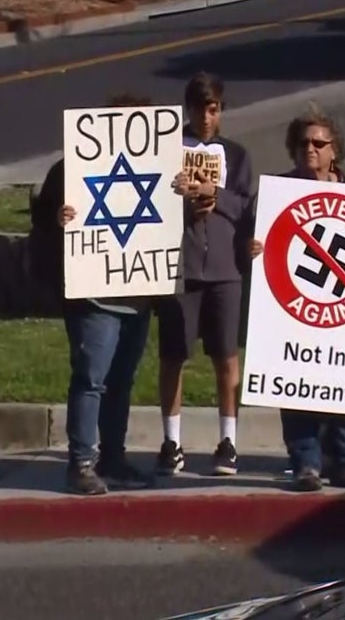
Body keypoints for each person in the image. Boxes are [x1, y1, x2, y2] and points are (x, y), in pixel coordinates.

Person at [245, 103, 345, 492]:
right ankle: (305, 465)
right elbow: (245, 246)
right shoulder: (272, 197)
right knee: (295, 385)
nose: (309, 149)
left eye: (318, 142)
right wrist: (251, 249)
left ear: (335, 150)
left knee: (343, 383)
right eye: (301, 143)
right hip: (292, 309)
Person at [28, 93, 155, 496]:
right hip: (94, 297)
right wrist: (57, 217)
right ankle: (81, 462)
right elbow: (42, 225)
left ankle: (113, 458)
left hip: (138, 290)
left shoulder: (160, 169)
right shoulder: (70, 170)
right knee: (92, 378)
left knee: (123, 380)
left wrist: (184, 193)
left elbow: (171, 222)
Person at [156, 72, 252, 476]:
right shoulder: (167, 150)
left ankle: (228, 441)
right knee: (173, 355)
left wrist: (217, 197)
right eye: (198, 110)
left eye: (212, 110)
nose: (205, 119)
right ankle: (171, 442)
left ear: (221, 111)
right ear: (187, 110)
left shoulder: (237, 155)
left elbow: (249, 206)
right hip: (181, 267)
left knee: (226, 355)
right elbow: (149, 201)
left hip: (225, 269)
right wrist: (177, 195)